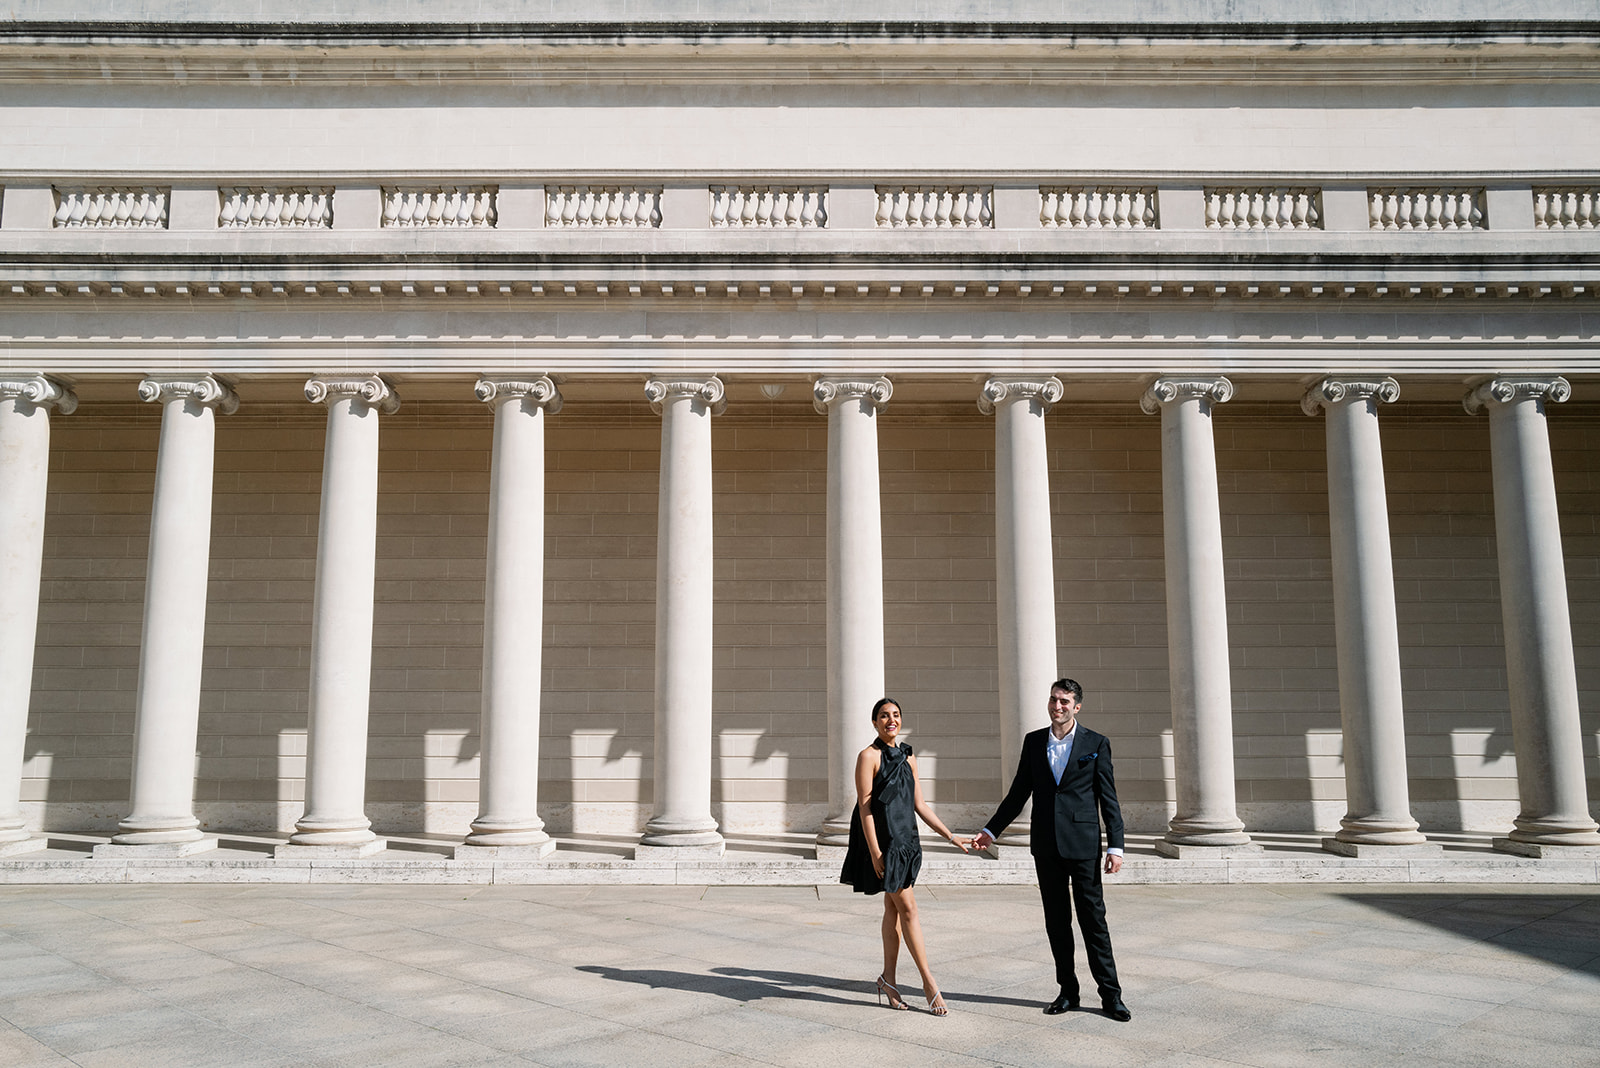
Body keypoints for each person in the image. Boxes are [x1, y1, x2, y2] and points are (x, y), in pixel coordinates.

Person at [973, 678, 1131, 1021]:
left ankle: (1111, 995)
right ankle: (1068, 992)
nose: (1057, 706)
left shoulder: (1096, 743)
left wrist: (1115, 846)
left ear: (1077, 707)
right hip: (1046, 846)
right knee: (1057, 923)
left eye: (1064, 702)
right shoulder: (1033, 742)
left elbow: (1109, 799)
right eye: (1053, 700)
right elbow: (1018, 794)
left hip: (1084, 845)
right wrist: (990, 830)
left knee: (1093, 922)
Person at [840, 697, 972, 1016]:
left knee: (893, 909)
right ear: (874, 722)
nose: (891, 720)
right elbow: (865, 807)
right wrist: (874, 852)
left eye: (896, 715)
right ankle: (929, 982)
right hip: (885, 846)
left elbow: (920, 805)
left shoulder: (908, 757)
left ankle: (888, 981)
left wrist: (951, 836)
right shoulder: (868, 756)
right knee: (909, 909)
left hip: (907, 843)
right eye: (884, 716)